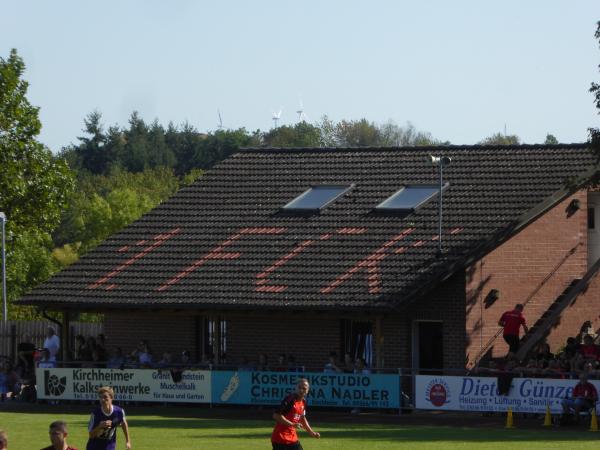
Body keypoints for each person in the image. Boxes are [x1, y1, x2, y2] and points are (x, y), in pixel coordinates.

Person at [271, 378, 320, 450]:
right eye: (299, 387)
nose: (301, 390)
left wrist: (311, 432)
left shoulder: (303, 402)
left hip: (292, 438)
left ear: (307, 391)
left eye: (304, 388)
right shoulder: (290, 399)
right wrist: (292, 424)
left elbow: (302, 418)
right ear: (295, 388)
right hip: (280, 438)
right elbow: (276, 415)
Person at [87, 386, 131, 450]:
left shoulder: (119, 412)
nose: (102, 400)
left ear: (111, 398)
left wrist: (128, 441)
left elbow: (123, 423)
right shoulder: (95, 414)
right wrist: (100, 426)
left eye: (105, 397)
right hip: (94, 447)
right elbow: (91, 435)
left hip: (110, 447)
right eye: (100, 397)